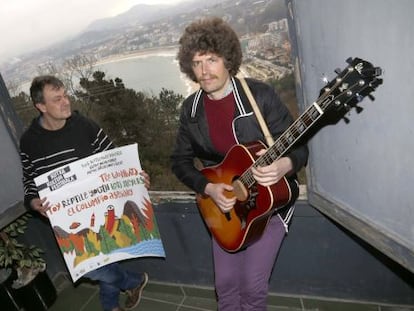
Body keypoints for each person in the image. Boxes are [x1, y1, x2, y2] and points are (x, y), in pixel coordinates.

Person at [171, 17, 309, 310]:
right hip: (224, 208)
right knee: (225, 287)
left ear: (228, 59)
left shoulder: (259, 96)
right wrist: (208, 188)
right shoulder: (191, 110)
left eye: (212, 59)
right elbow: (180, 162)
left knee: (252, 287)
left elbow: (300, 148)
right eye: (197, 63)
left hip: (270, 207)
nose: (204, 71)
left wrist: (285, 165)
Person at [19, 75, 149, 311]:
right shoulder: (29, 142)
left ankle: (110, 306)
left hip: (102, 209)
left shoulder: (84, 125)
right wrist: (33, 201)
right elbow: (29, 180)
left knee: (107, 260)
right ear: (41, 106)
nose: (66, 101)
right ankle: (133, 281)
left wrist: (135, 175)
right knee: (91, 267)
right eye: (56, 99)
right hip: (67, 219)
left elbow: (113, 156)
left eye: (65, 95)